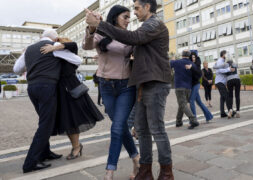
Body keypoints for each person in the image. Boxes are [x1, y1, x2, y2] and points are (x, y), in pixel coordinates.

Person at [86, 0, 174, 179]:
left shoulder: (154, 24)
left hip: (155, 81)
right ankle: (145, 170)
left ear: (147, 6)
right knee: (141, 129)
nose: (134, 13)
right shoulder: (145, 27)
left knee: (156, 128)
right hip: (142, 83)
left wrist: (100, 24)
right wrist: (95, 29)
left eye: (136, 8)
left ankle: (166, 172)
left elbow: (134, 38)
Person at [83, 5, 140, 180]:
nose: (128, 20)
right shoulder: (102, 33)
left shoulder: (129, 36)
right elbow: (86, 45)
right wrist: (92, 27)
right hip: (106, 86)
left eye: (130, 17)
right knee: (120, 127)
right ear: (115, 17)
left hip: (125, 86)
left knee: (116, 128)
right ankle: (136, 159)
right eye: (125, 17)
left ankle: (110, 171)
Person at [13, 29, 81, 173]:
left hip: (32, 88)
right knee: (46, 124)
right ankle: (30, 163)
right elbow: (78, 60)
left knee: (44, 121)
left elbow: (16, 69)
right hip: (47, 87)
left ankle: (45, 153)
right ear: (55, 39)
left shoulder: (29, 50)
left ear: (41, 37)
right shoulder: (53, 47)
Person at [39, 37, 104, 160]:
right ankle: (76, 146)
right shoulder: (54, 55)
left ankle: (76, 147)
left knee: (72, 120)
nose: (56, 44)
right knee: (66, 121)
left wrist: (54, 46)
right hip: (59, 90)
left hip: (71, 89)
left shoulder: (69, 53)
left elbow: (73, 44)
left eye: (59, 42)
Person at [170, 50, 199, 129]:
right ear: (189, 55)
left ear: (182, 55)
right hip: (188, 87)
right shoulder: (191, 64)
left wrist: (172, 59)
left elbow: (168, 65)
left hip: (179, 86)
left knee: (182, 104)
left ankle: (193, 119)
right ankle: (178, 121)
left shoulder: (177, 62)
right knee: (182, 104)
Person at [189, 52, 213, 123]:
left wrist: (192, 68)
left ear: (196, 58)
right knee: (199, 102)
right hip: (191, 85)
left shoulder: (197, 65)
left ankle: (193, 120)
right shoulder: (189, 64)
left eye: (194, 57)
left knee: (191, 101)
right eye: (192, 57)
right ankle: (209, 116)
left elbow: (198, 75)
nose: (193, 58)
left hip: (196, 84)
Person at [214, 50, 235, 118]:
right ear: (223, 54)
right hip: (220, 82)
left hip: (220, 82)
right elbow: (219, 70)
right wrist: (228, 69)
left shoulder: (222, 61)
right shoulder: (220, 61)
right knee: (226, 96)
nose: (228, 55)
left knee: (222, 98)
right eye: (226, 54)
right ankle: (230, 111)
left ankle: (222, 113)